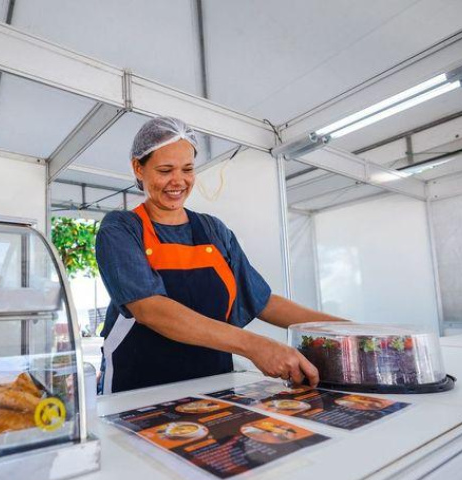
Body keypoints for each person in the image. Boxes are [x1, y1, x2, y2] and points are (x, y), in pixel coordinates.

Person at [95, 116, 344, 394]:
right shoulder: (121, 228)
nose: (178, 181)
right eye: (165, 170)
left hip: (214, 386)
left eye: (187, 169)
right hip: (139, 389)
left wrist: (343, 329)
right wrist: (256, 346)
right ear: (138, 169)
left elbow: (261, 300)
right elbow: (151, 310)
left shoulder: (213, 230)